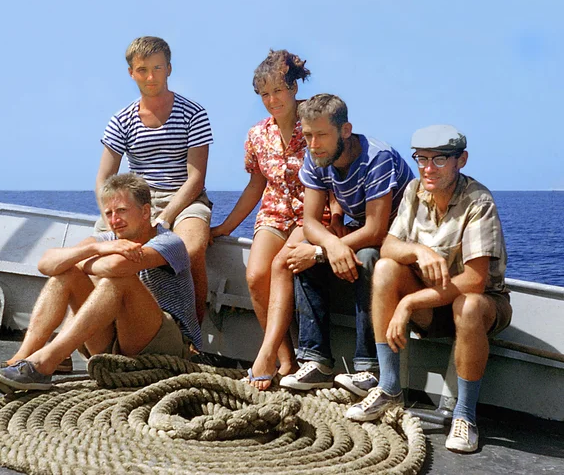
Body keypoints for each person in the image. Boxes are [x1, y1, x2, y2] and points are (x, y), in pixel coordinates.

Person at [344, 125, 512, 454]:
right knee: (385, 268)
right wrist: (420, 252)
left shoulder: (479, 201)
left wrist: (408, 304)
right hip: (432, 303)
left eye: (439, 160)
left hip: (479, 307)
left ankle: (465, 415)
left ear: (460, 160)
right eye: (421, 158)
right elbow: (389, 245)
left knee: (469, 305)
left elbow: (475, 281)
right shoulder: (414, 190)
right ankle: (390, 388)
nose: (427, 168)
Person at [0, 173, 200, 392]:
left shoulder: (169, 243)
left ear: (145, 211)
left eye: (121, 211)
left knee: (116, 281)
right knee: (65, 274)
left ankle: (44, 364)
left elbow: (116, 268)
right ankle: (21, 359)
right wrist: (93, 248)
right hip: (117, 345)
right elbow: (46, 264)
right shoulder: (108, 240)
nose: (114, 220)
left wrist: (82, 261)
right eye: (108, 214)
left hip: (169, 347)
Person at [251, 93, 414, 392]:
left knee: (365, 258)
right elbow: (311, 222)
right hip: (363, 231)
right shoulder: (317, 159)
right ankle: (317, 362)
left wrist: (322, 250)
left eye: (322, 135)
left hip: (399, 238)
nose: (313, 144)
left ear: (345, 130)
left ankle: (369, 367)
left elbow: (377, 230)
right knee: (301, 258)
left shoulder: (377, 158)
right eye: (308, 135)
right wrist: (327, 245)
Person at [211, 50, 335, 390]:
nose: (271, 100)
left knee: (283, 263)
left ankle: (264, 357)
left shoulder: (314, 122)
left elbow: (335, 173)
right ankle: (285, 358)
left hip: (312, 214)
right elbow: (256, 185)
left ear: (293, 88)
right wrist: (224, 228)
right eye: (264, 94)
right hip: (274, 212)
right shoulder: (257, 135)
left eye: (278, 90)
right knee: (254, 276)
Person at [95, 36, 213, 324]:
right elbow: (103, 180)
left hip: (185, 199)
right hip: (136, 201)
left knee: (192, 250)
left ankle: (192, 335)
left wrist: (165, 218)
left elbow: (196, 178)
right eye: (143, 70)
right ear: (131, 73)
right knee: (96, 256)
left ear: (169, 69)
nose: (151, 76)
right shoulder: (121, 120)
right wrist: (111, 219)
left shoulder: (193, 114)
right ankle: (101, 333)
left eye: (158, 68)